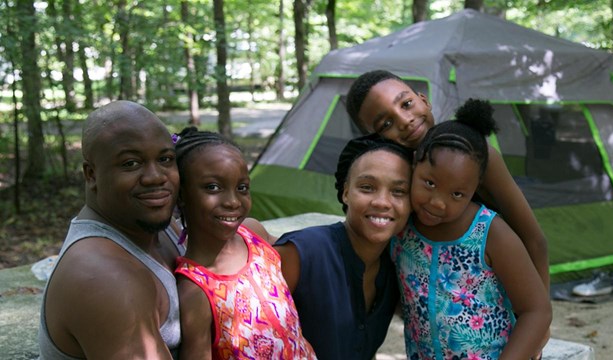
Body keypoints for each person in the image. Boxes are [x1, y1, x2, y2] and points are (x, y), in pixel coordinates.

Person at [346, 70, 550, 293]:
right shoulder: (391, 172)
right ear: (374, 138)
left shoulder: (473, 155)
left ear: (423, 99)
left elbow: (534, 240)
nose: (405, 121)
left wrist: (542, 318)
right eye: (386, 124)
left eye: (406, 104)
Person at [391, 99, 552, 359]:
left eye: (457, 193)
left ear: (474, 188)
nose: (438, 202)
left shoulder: (490, 233)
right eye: (429, 183)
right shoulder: (401, 227)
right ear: (414, 164)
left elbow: (537, 310)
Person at [38, 100, 184, 359]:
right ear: (91, 174)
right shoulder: (102, 277)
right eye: (130, 164)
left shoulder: (156, 226)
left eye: (165, 159)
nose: (155, 177)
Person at [172, 127, 316, 359]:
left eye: (242, 188)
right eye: (213, 187)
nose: (232, 201)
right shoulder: (195, 290)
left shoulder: (254, 234)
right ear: (181, 195)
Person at [267, 134, 414, 360]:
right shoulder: (303, 253)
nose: (382, 202)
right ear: (346, 192)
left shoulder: (395, 270)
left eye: (399, 192)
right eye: (367, 187)